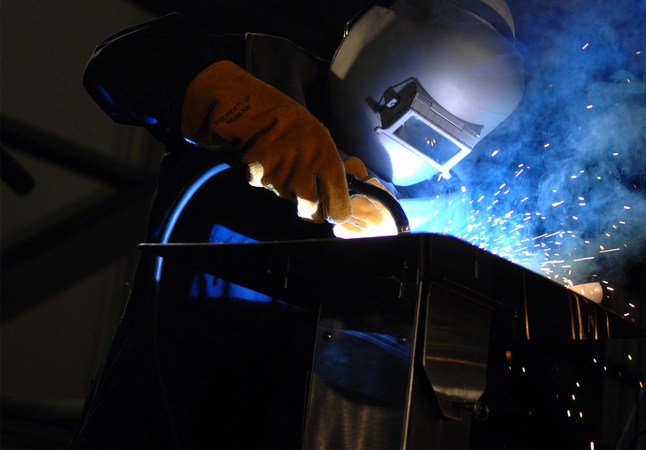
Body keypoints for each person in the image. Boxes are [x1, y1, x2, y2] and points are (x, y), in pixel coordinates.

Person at [70, 0, 523, 447]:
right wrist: (262, 121)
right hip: (158, 407)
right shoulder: (266, 73)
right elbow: (114, 65)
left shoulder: (438, 213)